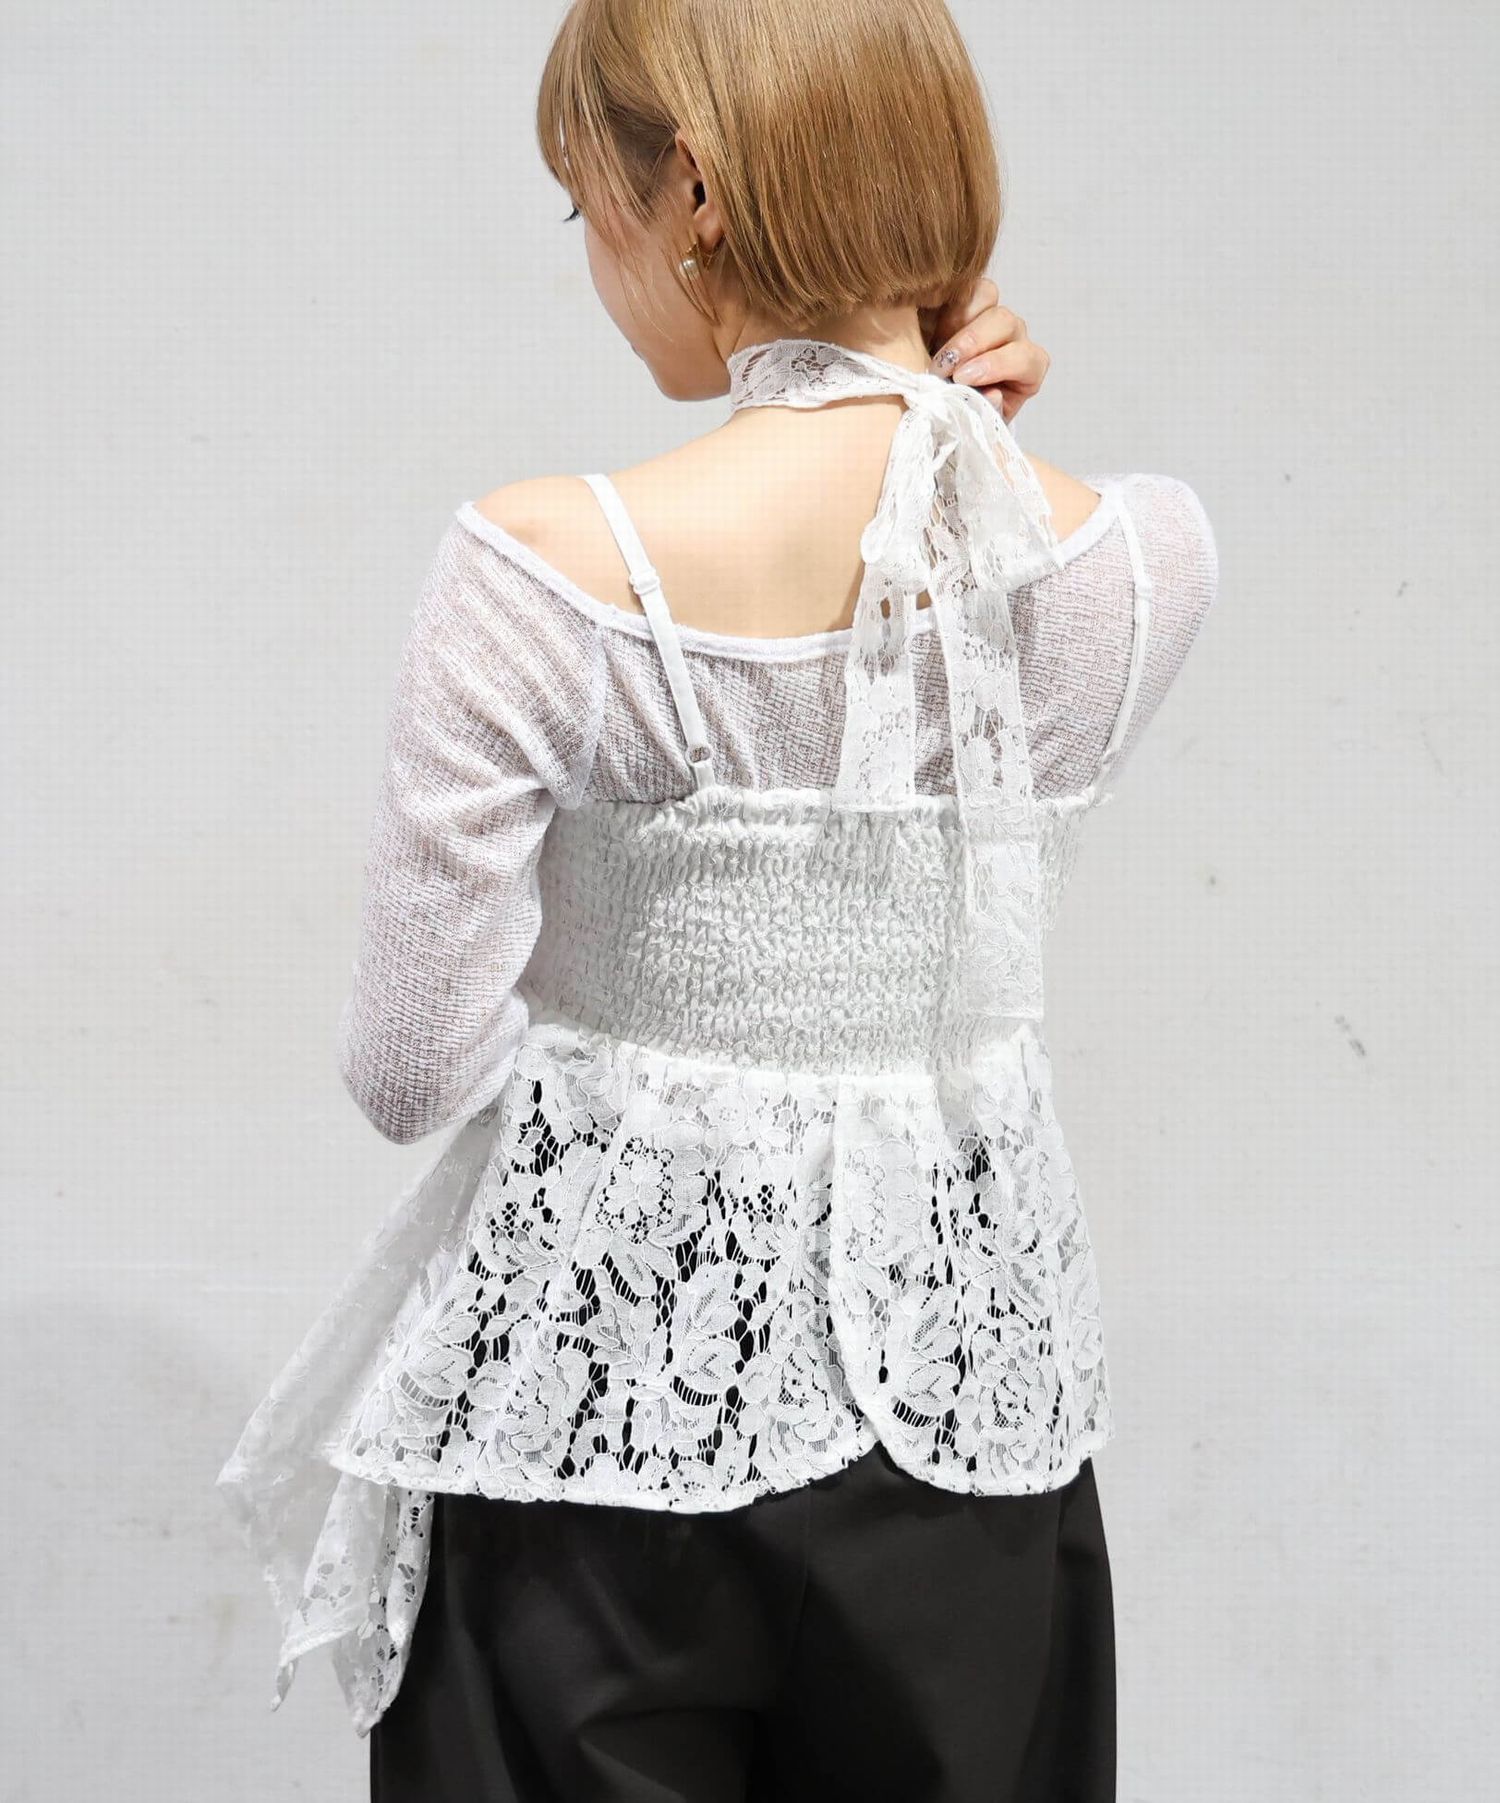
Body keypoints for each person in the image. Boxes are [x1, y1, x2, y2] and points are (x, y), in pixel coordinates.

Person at [216, 2, 1219, 1798]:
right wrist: (950, 410)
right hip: (968, 1439)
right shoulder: (1141, 564)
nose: (590, 259)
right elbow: (954, 658)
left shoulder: (541, 571)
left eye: (583, 200)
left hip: (592, 1438)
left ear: (691, 187)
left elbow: (411, 1072)